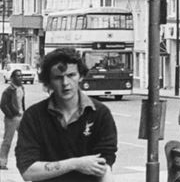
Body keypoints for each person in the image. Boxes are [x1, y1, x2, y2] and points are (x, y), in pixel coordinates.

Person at [15, 47, 118, 181]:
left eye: (71, 75)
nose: (65, 83)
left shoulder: (100, 114)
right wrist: (75, 164)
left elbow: (104, 166)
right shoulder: (33, 116)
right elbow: (28, 171)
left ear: (80, 76)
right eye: (58, 78)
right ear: (48, 82)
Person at [0, 69, 26, 170]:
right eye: (18, 76)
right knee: (7, 140)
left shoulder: (22, 88)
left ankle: (24, 160)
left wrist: (24, 113)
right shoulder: (8, 90)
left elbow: (22, 103)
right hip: (12, 119)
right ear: (12, 78)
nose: (20, 78)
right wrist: (11, 115)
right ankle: (2, 162)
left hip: (21, 117)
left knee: (26, 138)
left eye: (21, 76)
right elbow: (3, 105)